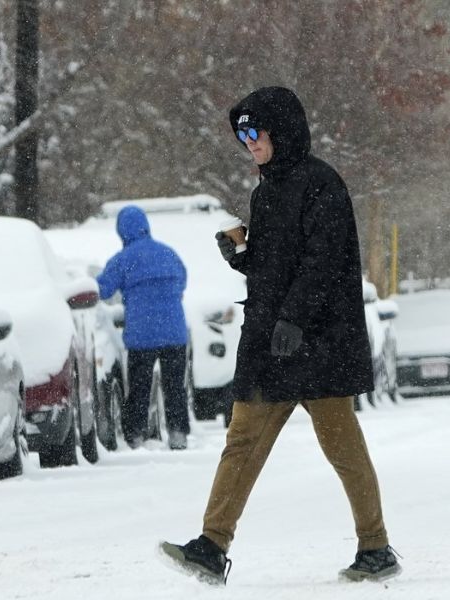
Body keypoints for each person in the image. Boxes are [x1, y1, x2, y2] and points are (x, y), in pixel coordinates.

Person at [159, 87, 399, 584]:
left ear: (281, 131)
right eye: (241, 134)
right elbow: (276, 266)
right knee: (242, 439)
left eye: (255, 131)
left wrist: (294, 318)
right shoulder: (266, 190)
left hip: (319, 342)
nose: (248, 142)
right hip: (274, 343)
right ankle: (211, 545)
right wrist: (243, 256)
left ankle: (375, 548)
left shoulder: (321, 184)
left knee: (342, 447)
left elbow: (324, 263)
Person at [96, 206, 191, 450]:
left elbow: (103, 290)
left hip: (142, 334)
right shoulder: (168, 253)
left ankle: (135, 435)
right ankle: (178, 433)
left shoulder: (122, 260)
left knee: (139, 387)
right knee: (174, 387)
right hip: (174, 332)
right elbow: (182, 279)